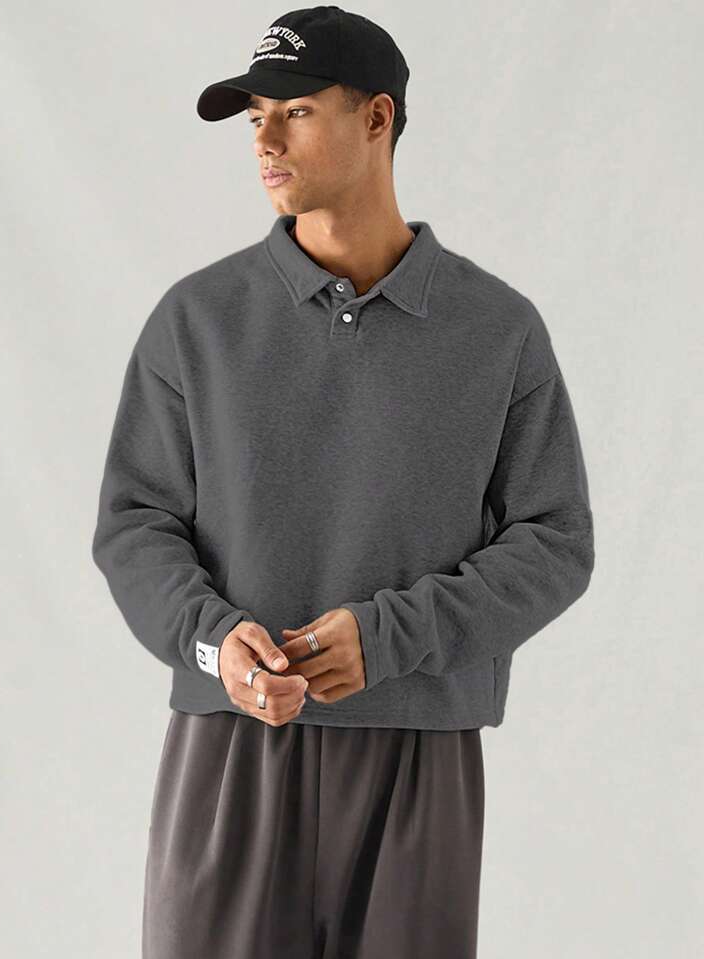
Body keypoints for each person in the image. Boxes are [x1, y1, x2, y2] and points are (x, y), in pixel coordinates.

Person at [91, 6, 595, 958]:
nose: (266, 141)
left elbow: (555, 540)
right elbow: (134, 523)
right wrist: (215, 643)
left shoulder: (496, 330)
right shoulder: (197, 321)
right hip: (232, 748)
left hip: (419, 757)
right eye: (256, 120)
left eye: (295, 112)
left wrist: (391, 635)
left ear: (377, 117)